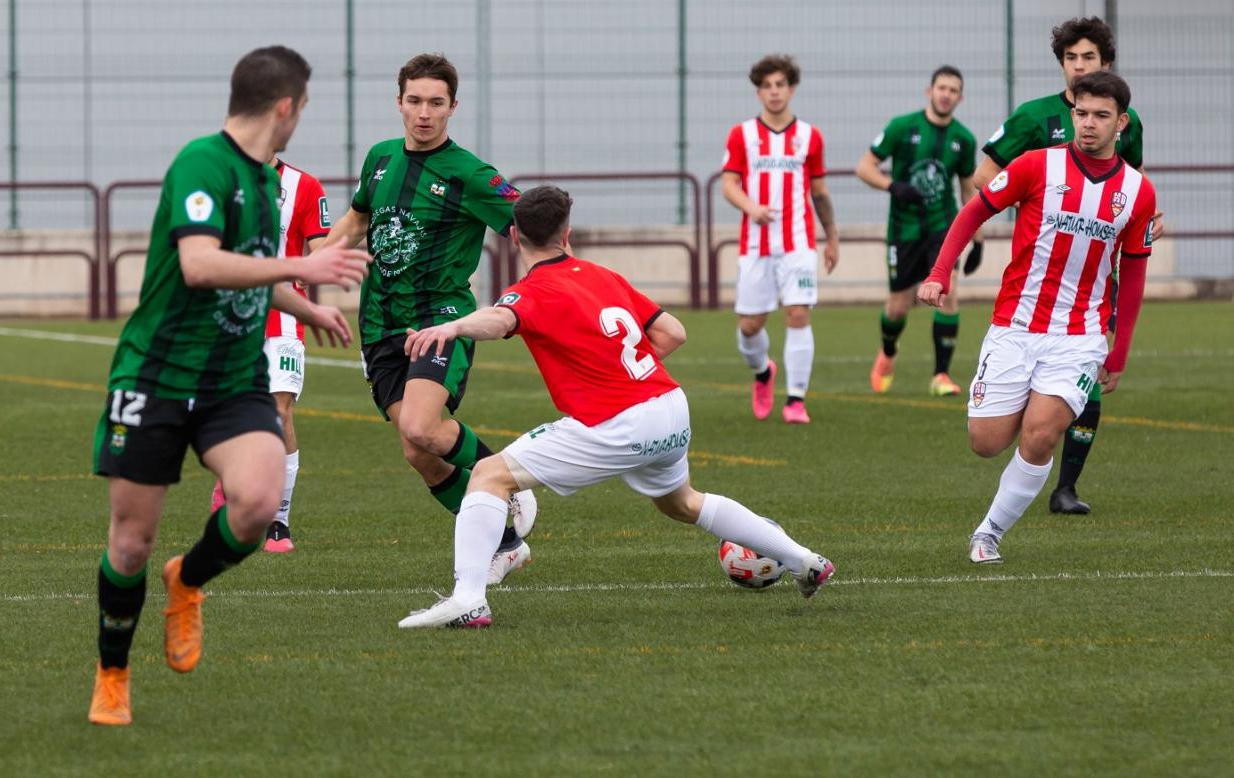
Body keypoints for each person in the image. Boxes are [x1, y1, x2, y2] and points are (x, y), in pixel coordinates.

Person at [396, 185, 836, 629]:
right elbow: (674, 332)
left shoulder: (531, 290)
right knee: (682, 503)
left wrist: (453, 327)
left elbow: (499, 319)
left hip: (618, 423)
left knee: (490, 477)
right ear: (567, 233)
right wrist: (622, 371)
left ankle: (468, 599)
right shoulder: (602, 275)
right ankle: (804, 559)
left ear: (513, 237)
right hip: (670, 408)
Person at [88, 46, 370, 725]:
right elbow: (199, 265)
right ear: (286, 107)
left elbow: (252, 266)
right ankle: (113, 673)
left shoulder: (265, 178)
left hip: (231, 377)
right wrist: (308, 262)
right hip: (155, 378)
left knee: (256, 502)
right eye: (303, 109)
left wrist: (306, 305)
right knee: (130, 543)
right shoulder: (202, 163)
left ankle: (188, 581)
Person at [917, 72, 1155, 565]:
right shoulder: (1035, 166)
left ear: (1122, 122)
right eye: (1081, 113)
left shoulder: (1137, 192)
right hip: (1015, 326)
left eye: (1101, 116)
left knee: (1041, 433)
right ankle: (1025, 409)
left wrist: (1120, 350)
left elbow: (1132, 276)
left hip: (1080, 335)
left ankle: (988, 533)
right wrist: (940, 273)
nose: (1088, 125)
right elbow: (972, 214)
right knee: (985, 442)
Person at [323, 53, 537, 583]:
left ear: (452, 107)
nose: (424, 112)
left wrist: (548, 288)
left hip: (440, 318)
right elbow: (356, 218)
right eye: (414, 101)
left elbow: (533, 225)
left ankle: (509, 480)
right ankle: (507, 543)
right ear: (399, 102)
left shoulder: (470, 174)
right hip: (379, 325)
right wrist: (306, 268)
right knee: (420, 449)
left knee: (422, 425)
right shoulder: (379, 158)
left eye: (435, 103)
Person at [972, 16, 1157, 515]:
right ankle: (1033, 454)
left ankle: (1066, 485)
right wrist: (1045, 214)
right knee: (990, 435)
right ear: (1061, 65)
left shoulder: (1127, 120)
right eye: (1071, 58)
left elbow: (1133, 185)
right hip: (1035, 283)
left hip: (1097, 281)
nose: (1079, 66)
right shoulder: (1033, 118)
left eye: (1089, 58)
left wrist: (1142, 225)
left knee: (1087, 379)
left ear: (1106, 65)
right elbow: (985, 175)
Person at [209, 156, 330, 553]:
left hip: (284, 318)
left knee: (279, 411)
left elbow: (321, 250)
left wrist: (317, 265)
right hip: (229, 317)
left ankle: (279, 519)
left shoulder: (306, 186)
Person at [721, 54, 839, 425]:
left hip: (798, 244)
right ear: (758, 92)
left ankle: (795, 400)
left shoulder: (809, 136)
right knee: (750, 326)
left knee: (798, 313)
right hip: (755, 245)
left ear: (791, 89)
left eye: (780, 85)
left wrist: (832, 237)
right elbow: (728, 185)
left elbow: (819, 192)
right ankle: (762, 373)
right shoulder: (742, 135)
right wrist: (750, 207)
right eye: (767, 86)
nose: (774, 92)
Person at [854, 65, 981, 396]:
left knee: (947, 293)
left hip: (944, 227)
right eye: (941, 88)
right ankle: (888, 352)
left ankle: (941, 375)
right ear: (929, 91)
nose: (946, 94)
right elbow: (864, 168)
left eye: (953, 90)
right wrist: (892, 185)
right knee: (898, 305)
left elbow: (968, 191)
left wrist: (977, 237)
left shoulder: (964, 139)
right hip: (904, 228)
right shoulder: (902, 127)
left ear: (960, 98)